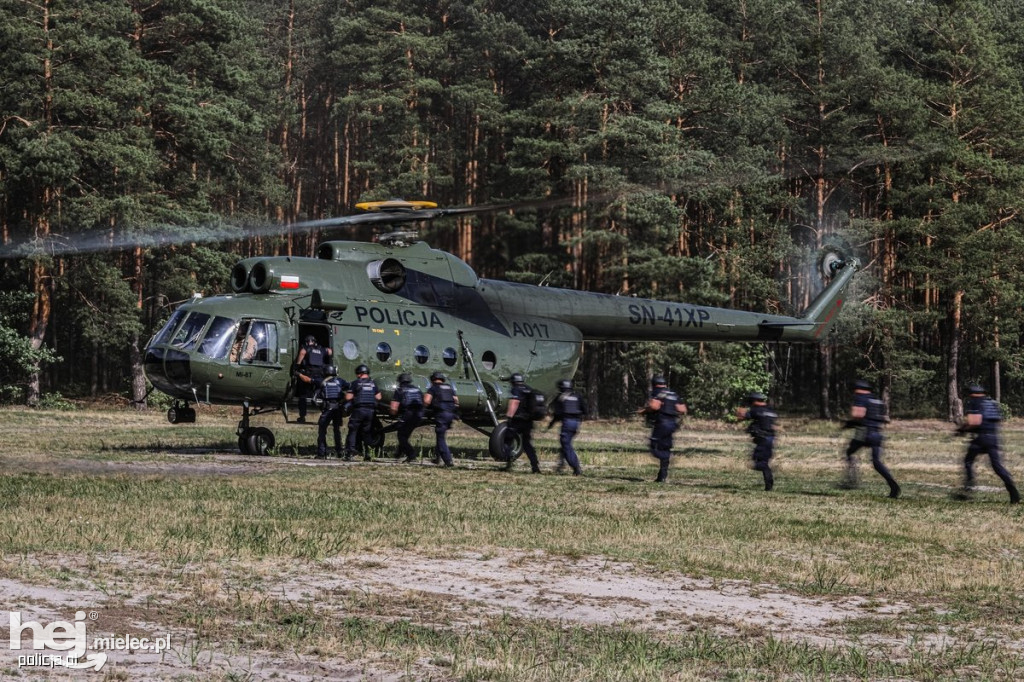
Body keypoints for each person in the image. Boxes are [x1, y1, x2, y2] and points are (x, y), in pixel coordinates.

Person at [955, 385, 1020, 503]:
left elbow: (975, 422)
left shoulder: (975, 402)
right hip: (993, 437)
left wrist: (962, 430)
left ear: (972, 394)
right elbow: (996, 420)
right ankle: (1013, 492)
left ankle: (968, 490)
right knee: (997, 466)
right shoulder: (992, 403)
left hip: (981, 438)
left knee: (968, 461)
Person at [841, 379, 900, 499]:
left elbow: (858, 414)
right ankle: (893, 485)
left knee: (849, 452)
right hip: (877, 434)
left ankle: (852, 478)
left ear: (858, 389)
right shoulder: (877, 400)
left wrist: (850, 423)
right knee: (877, 462)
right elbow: (885, 418)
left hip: (864, 433)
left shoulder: (860, 398)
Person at [641, 375, 687, 483]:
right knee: (665, 447)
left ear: (654, 384)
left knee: (655, 447)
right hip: (672, 424)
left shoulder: (658, 392)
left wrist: (645, 411)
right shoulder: (673, 393)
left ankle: (667, 457)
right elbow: (682, 409)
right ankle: (662, 476)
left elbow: (654, 406)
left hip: (661, 423)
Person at [736, 392, 777, 491]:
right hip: (770, 438)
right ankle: (768, 486)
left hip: (763, 439)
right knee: (761, 461)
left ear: (754, 400)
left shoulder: (756, 410)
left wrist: (740, 412)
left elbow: (743, 416)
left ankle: (770, 476)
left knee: (758, 463)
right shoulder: (770, 410)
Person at [505, 373, 542, 473]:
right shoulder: (528, 389)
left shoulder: (516, 389)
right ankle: (535, 465)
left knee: (507, 439)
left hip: (517, 420)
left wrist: (509, 417)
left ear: (513, 382)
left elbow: (514, 402)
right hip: (528, 421)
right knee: (527, 444)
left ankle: (508, 463)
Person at [548, 378, 586, 475]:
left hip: (567, 423)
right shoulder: (577, 396)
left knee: (566, 445)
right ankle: (561, 464)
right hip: (576, 423)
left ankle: (576, 467)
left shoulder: (561, 397)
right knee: (566, 444)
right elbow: (585, 410)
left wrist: (551, 424)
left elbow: (557, 414)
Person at [344, 364, 381, 461]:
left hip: (359, 410)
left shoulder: (356, 383)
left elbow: (348, 397)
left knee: (353, 430)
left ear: (359, 374)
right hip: (370, 411)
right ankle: (368, 454)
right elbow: (379, 397)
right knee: (366, 432)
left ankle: (351, 452)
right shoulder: (373, 384)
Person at [423, 371, 458, 467]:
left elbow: (426, 401)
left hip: (441, 415)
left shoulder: (433, 388)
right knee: (441, 435)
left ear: (433, 380)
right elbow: (456, 401)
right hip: (450, 415)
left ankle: (448, 461)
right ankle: (437, 458)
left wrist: (424, 408)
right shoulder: (449, 388)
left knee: (440, 438)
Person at [295, 335, 332, 423]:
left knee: (303, 396)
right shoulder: (321, 349)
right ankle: (324, 415)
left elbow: (302, 355)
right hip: (320, 375)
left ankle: (302, 416)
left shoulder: (305, 348)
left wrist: (296, 367)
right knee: (322, 396)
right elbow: (330, 351)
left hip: (309, 374)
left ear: (307, 342)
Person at [314, 366, 348, 459]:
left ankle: (322, 453)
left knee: (322, 431)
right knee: (337, 431)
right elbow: (349, 386)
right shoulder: (340, 381)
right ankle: (339, 451)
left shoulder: (322, 382)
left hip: (327, 409)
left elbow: (310, 383)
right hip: (337, 409)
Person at [390, 373, 425, 463]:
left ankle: (411, 455)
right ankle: (398, 454)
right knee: (405, 434)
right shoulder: (417, 389)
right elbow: (423, 402)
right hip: (419, 415)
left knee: (401, 436)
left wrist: (392, 414)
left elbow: (394, 408)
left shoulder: (399, 390)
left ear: (400, 381)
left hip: (408, 414)